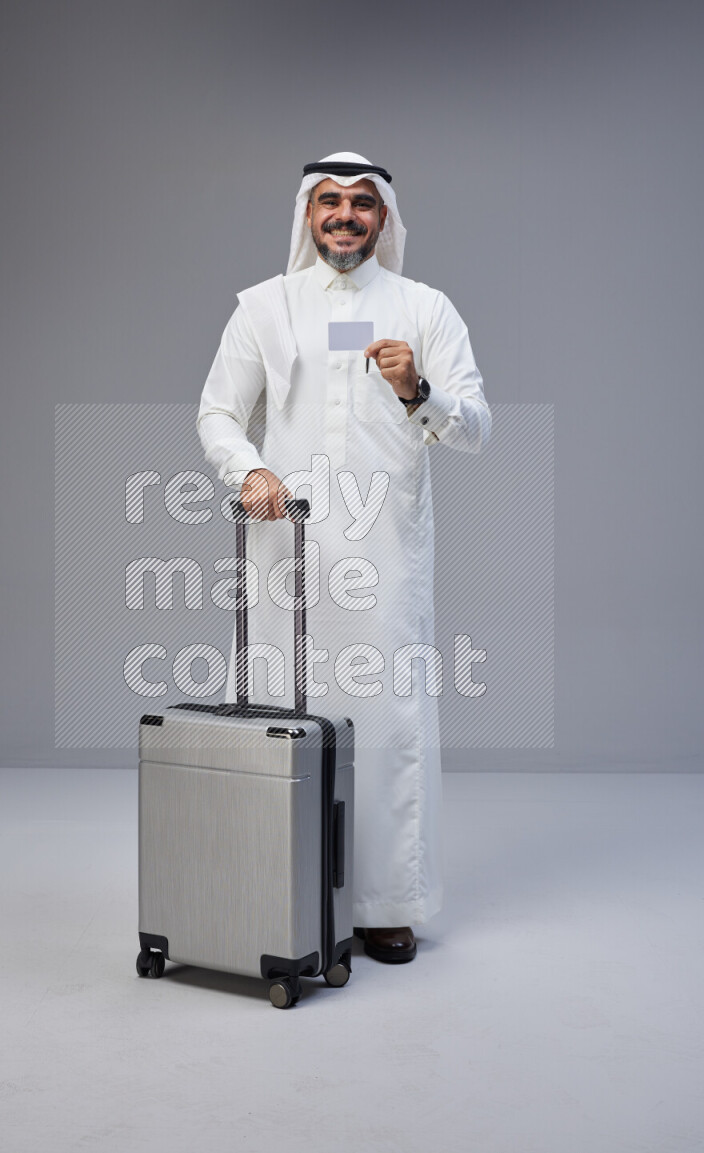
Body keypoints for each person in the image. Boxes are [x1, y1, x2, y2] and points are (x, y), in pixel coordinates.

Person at [197, 152, 491, 964]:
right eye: (329, 201)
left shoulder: (423, 308)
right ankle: (274, 888)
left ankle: (383, 903)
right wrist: (247, 467)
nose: (345, 216)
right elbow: (218, 410)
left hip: (385, 553)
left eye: (363, 203)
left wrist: (418, 389)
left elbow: (476, 428)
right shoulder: (264, 307)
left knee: (387, 722)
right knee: (279, 718)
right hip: (284, 548)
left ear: (385, 218)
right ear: (306, 214)